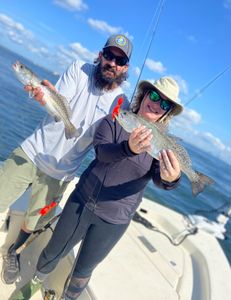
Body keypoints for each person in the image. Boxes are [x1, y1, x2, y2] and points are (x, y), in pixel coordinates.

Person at [16, 76, 184, 300]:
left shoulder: (160, 145)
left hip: (115, 220)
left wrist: (171, 179)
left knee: (83, 271)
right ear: (144, 95)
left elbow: (159, 178)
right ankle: (30, 287)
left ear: (167, 113)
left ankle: (69, 297)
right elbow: (102, 152)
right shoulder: (114, 120)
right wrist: (129, 148)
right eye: (154, 95)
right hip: (82, 202)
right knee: (53, 252)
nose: (156, 104)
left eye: (165, 104)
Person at [0, 34, 133, 284]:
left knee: (35, 220)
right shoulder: (78, 68)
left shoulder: (121, 101)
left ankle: (12, 252)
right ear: (101, 54)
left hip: (61, 173)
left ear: (125, 68)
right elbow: (58, 103)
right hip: (33, 151)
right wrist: (43, 97)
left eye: (120, 60)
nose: (112, 63)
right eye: (109, 55)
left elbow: (106, 142)